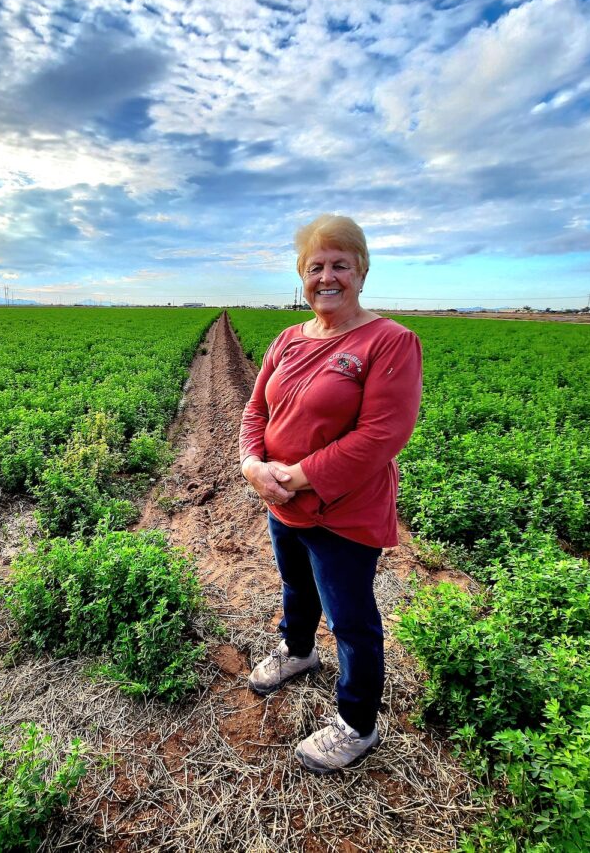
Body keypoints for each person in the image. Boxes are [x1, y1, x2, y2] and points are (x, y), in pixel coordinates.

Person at [239, 214, 422, 775]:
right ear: (303, 277)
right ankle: (298, 650)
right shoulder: (288, 339)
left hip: (345, 510)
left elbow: (380, 436)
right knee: (295, 583)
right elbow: (256, 410)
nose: (327, 276)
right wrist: (252, 464)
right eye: (315, 266)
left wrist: (294, 475)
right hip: (281, 501)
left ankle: (357, 723)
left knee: (351, 618)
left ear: (361, 271)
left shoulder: (388, 341)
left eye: (339, 264)